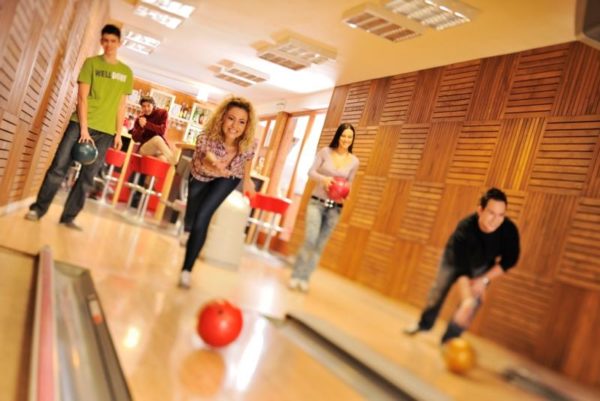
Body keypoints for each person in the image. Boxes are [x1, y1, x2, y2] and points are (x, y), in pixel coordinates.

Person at [25, 24, 133, 230]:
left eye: (113, 41)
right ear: (101, 42)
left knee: (88, 177)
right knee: (58, 167)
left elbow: (122, 105)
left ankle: (68, 217)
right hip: (79, 125)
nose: (109, 45)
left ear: (120, 43)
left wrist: (118, 133)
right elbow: (82, 98)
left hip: (105, 132)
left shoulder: (126, 72)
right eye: (105, 41)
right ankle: (38, 209)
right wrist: (83, 129)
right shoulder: (91, 63)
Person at [404, 188, 520, 343]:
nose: (496, 220)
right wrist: (466, 299)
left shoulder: (509, 230)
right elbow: (461, 269)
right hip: (454, 261)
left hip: (483, 265)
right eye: (491, 213)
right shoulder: (465, 228)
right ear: (480, 210)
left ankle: (450, 340)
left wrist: (483, 280)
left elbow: (510, 259)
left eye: (501, 215)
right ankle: (424, 324)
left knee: (473, 303)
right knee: (438, 291)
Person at [178, 96, 257, 289]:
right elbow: (207, 157)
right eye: (231, 118)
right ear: (222, 117)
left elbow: (247, 159)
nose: (235, 126)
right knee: (192, 214)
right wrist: (215, 163)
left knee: (203, 216)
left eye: (241, 122)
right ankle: (188, 228)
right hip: (201, 175)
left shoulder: (249, 143)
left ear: (247, 125)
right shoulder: (206, 137)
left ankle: (187, 270)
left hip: (228, 178)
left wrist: (247, 181)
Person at [289, 123, 360, 292]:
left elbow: (349, 182)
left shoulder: (354, 161)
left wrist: (346, 193)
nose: (346, 140)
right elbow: (311, 172)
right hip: (317, 203)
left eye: (349, 137)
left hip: (335, 208)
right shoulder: (324, 152)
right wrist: (324, 180)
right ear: (338, 136)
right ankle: (296, 275)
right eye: (344, 136)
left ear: (352, 139)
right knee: (310, 239)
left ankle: (305, 278)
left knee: (319, 245)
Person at [131, 95, 177, 164]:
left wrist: (146, 124)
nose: (146, 109)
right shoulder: (140, 119)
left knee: (163, 160)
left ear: (153, 105)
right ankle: (175, 164)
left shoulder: (163, 113)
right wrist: (141, 127)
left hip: (159, 149)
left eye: (148, 106)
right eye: (143, 106)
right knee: (157, 139)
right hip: (145, 149)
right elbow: (135, 138)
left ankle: (151, 175)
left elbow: (162, 131)